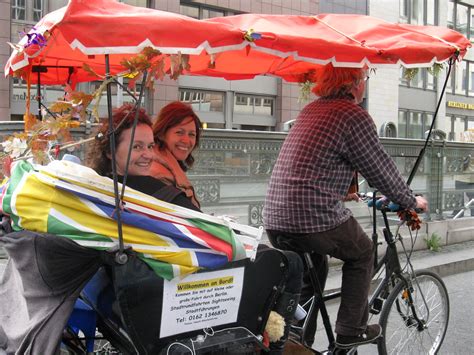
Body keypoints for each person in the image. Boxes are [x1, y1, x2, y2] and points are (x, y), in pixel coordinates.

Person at [263, 63, 428, 350]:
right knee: (363, 252)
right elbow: (381, 170)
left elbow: (314, 164)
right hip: (310, 216)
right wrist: (411, 201)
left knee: (311, 274)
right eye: (364, 78)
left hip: (276, 217)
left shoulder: (310, 110)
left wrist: (342, 193)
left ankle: (297, 342)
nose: (364, 83)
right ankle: (352, 330)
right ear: (353, 83)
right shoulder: (353, 115)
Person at [88, 103, 200, 211]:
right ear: (110, 151)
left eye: (150, 146)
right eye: (137, 146)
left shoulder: (95, 187)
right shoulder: (155, 187)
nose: (148, 155)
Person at [151, 101, 202, 209]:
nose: (186, 140)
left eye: (192, 134)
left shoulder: (168, 166)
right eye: (179, 132)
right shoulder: (159, 175)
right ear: (161, 133)